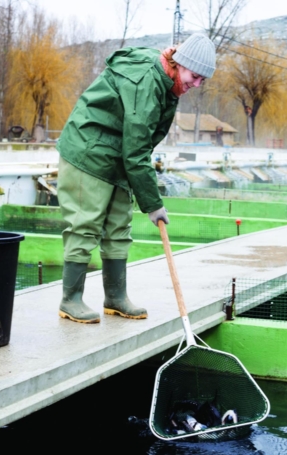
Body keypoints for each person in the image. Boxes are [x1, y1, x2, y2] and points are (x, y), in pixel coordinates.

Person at [56, 34, 216, 324]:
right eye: (194, 76)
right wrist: (153, 205)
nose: (196, 84)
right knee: (86, 223)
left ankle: (115, 297)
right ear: (178, 63)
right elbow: (138, 150)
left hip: (116, 155)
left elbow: (135, 147)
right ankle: (71, 299)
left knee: (118, 225)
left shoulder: (167, 82)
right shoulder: (147, 82)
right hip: (88, 151)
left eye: (202, 80)